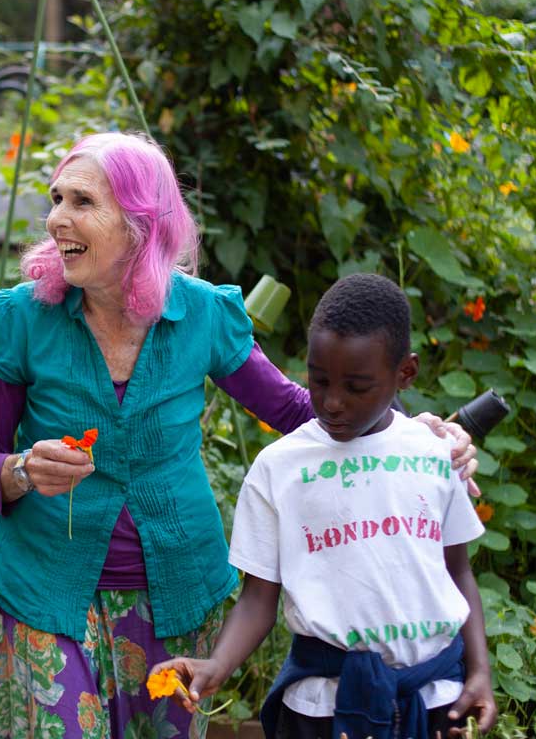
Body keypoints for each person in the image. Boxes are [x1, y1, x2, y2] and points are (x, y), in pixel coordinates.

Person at [0, 132, 480, 738]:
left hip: (177, 591)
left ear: (138, 223)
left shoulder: (201, 313)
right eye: (56, 199)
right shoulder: (23, 317)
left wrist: (409, 431)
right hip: (44, 587)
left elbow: (296, 409)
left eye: (81, 202)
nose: (55, 220)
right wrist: (22, 469)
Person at [151, 274, 497, 739]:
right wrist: (218, 664)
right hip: (321, 707)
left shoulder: (434, 453)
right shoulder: (280, 467)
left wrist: (480, 673)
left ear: (405, 374)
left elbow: (459, 573)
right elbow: (258, 600)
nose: (332, 402)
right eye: (318, 380)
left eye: (357, 386)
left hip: (433, 698)